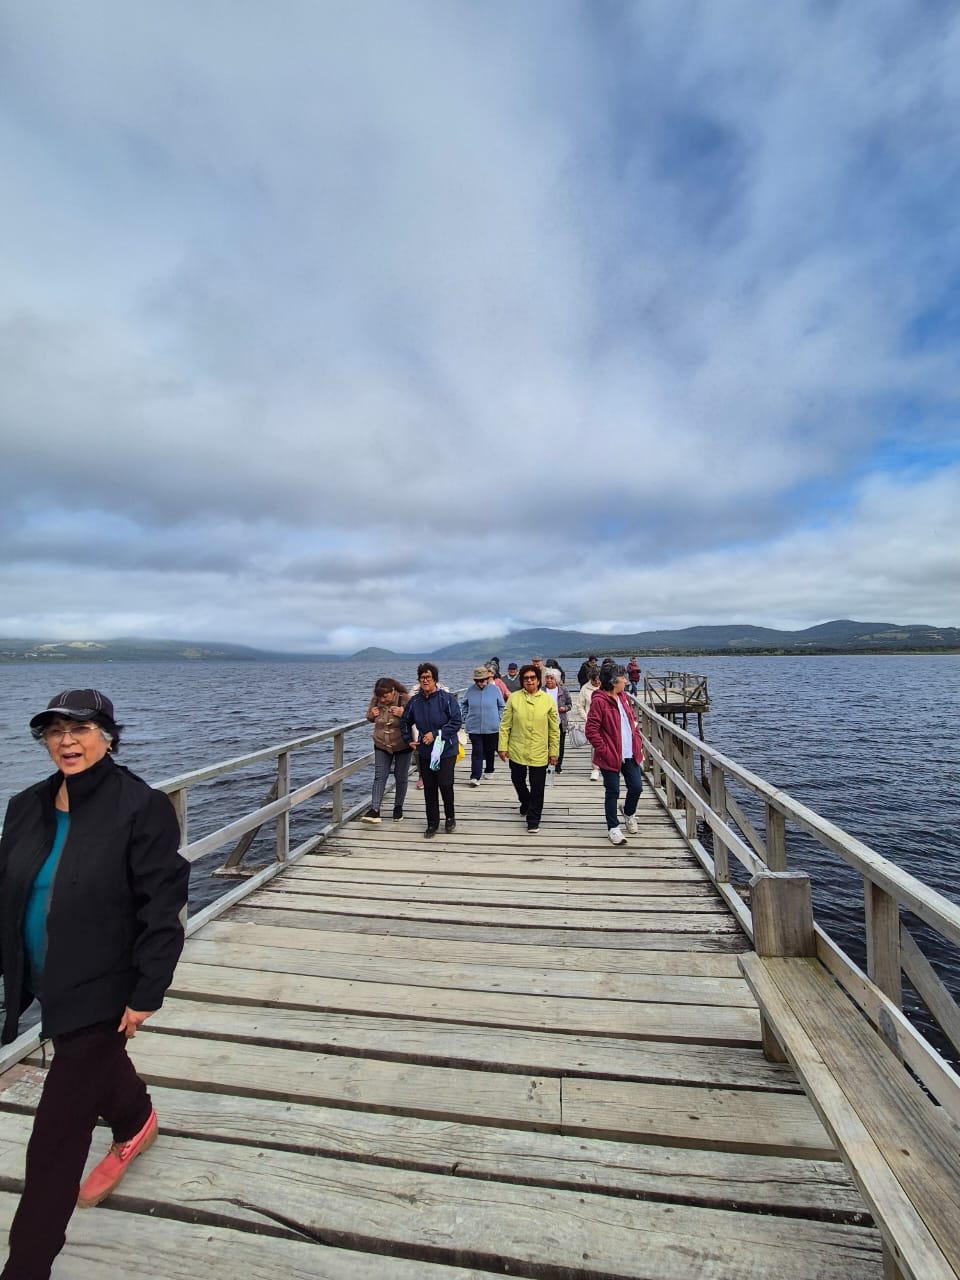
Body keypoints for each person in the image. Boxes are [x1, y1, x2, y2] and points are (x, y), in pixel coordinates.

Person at [0, 689, 190, 1280]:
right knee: (96, 1069)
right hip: (44, 979)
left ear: (108, 737)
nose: (66, 741)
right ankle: (134, 1120)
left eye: (80, 729)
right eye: (54, 730)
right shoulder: (26, 806)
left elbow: (162, 906)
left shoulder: (140, 806)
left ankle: (27, 1266)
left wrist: (147, 992)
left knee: (55, 1138)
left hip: (105, 986)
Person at [585, 662, 644, 846]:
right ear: (613, 681)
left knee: (636, 787)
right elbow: (591, 730)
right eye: (622, 678)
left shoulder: (624, 697)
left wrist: (636, 737)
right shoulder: (600, 701)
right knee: (613, 791)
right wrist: (604, 750)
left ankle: (628, 812)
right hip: (610, 754)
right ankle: (613, 827)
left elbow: (632, 719)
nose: (626, 681)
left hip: (629, 752)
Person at [401, 663, 463, 838]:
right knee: (429, 788)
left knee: (445, 784)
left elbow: (456, 722)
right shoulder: (415, 701)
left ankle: (450, 817)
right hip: (426, 752)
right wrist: (408, 740)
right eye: (422, 678)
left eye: (428, 677)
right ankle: (432, 823)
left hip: (446, 749)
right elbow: (404, 721)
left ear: (435, 679)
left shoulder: (447, 699)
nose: (425, 681)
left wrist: (436, 734)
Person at [498, 664, 559, 834]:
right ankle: (525, 801)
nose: (529, 681)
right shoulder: (514, 698)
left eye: (533, 678)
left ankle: (533, 819)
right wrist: (502, 746)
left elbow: (554, 729)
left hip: (539, 749)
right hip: (517, 747)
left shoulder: (547, 700)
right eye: (526, 678)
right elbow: (505, 725)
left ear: (539, 680)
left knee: (537, 786)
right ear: (522, 681)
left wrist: (554, 751)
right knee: (517, 779)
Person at [362, 678, 412, 823]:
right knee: (380, 776)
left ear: (393, 691)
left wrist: (403, 714)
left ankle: (398, 807)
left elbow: (416, 718)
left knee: (401, 777)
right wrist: (371, 714)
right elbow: (369, 717)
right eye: (379, 697)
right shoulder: (376, 700)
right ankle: (375, 809)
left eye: (385, 696)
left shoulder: (405, 699)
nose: (382, 700)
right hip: (381, 744)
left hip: (402, 744)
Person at [460, 667, 505, 784]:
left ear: (487, 679)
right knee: (477, 752)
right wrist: (465, 717)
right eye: (477, 681)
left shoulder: (495, 690)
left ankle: (489, 769)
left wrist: (499, 718)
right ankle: (475, 776)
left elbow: (502, 706)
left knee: (490, 751)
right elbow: (464, 704)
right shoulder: (470, 690)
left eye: (482, 680)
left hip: (492, 727)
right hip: (474, 727)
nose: (479, 683)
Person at [542, 668, 572, 774]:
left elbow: (570, 704)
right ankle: (545, 764)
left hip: (560, 722)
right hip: (544, 722)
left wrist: (565, 708)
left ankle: (558, 765)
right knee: (545, 744)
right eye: (547, 678)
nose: (549, 680)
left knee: (560, 744)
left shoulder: (563, 690)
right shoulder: (541, 690)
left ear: (556, 679)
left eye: (551, 678)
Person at [578, 670, 603, 780]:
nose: (597, 682)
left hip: (605, 719)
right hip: (592, 720)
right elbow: (579, 705)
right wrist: (587, 718)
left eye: (598, 680)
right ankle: (595, 768)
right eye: (594, 680)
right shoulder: (585, 688)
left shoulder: (605, 686)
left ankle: (608, 765)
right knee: (595, 744)